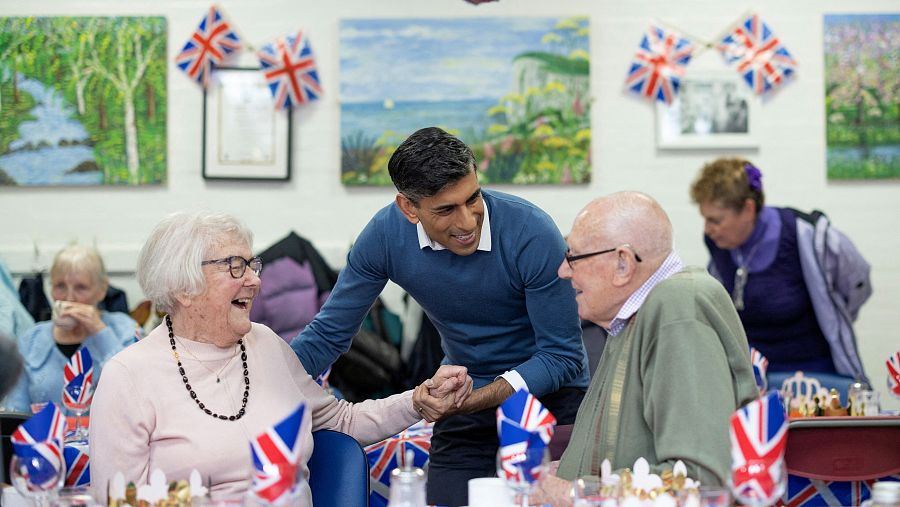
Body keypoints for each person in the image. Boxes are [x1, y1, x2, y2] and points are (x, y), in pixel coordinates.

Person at [290, 127, 589, 506]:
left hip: (551, 399)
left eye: (473, 198)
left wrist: (479, 396)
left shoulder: (531, 232)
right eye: (446, 209)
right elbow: (329, 334)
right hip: (464, 401)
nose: (466, 221)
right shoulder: (384, 236)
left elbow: (562, 357)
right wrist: (262, 379)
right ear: (408, 208)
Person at [89, 211, 472, 504]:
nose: (256, 280)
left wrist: (418, 400)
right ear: (183, 287)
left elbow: (340, 421)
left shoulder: (265, 344)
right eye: (235, 266)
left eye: (252, 265)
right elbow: (118, 499)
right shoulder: (129, 376)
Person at [532, 192, 758, 505]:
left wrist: (577, 492)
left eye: (574, 257)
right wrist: (575, 468)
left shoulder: (678, 309)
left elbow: (701, 480)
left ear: (623, 263)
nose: (564, 272)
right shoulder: (634, 316)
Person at [690, 158, 871, 380]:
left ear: (748, 209)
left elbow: (857, 284)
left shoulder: (808, 237)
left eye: (715, 220)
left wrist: (834, 315)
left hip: (813, 374)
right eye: (705, 219)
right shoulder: (719, 243)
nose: (708, 229)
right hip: (752, 376)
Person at [1, 245, 139, 413]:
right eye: (60, 286)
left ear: (102, 290)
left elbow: (137, 391)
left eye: (81, 287)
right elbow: (16, 412)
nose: (69, 297)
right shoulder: (31, 340)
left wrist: (99, 330)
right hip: (42, 438)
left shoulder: (125, 331)